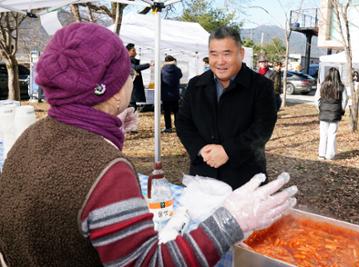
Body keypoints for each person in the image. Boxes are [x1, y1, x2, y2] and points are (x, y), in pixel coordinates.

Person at [0, 22, 297, 267]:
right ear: (114, 92)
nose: (131, 78)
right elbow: (151, 262)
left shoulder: (30, 135)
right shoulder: (107, 170)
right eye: (128, 72)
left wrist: (109, 130)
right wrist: (229, 222)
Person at [176, 26, 277, 190]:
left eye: (227, 54)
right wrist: (201, 149)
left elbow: (262, 128)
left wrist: (228, 151)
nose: (220, 61)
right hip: (203, 174)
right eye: (213, 54)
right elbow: (183, 122)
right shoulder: (196, 85)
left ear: (241, 53)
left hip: (244, 179)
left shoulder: (260, 86)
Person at [314, 67, 348, 161]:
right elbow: (345, 100)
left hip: (323, 112)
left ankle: (321, 154)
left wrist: (319, 109)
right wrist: (341, 110)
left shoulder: (322, 85)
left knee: (323, 134)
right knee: (332, 134)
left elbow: (316, 99)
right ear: (338, 76)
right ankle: (330, 155)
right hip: (335, 113)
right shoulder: (341, 86)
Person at [126, 43, 152, 110]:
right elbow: (135, 67)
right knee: (131, 105)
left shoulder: (131, 60)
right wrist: (148, 65)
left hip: (132, 87)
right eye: (133, 50)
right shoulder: (127, 60)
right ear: (127, 51)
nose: (135, 52)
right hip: (130, 87)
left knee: (132, 104)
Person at [161, 55, 182, 133]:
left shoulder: (162, 70)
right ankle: (178, 126)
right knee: (176, 111)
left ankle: (168, 127)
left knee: (167, 112)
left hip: (165, 94)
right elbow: (180, 76)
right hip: (175, 93)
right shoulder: (177, 69)